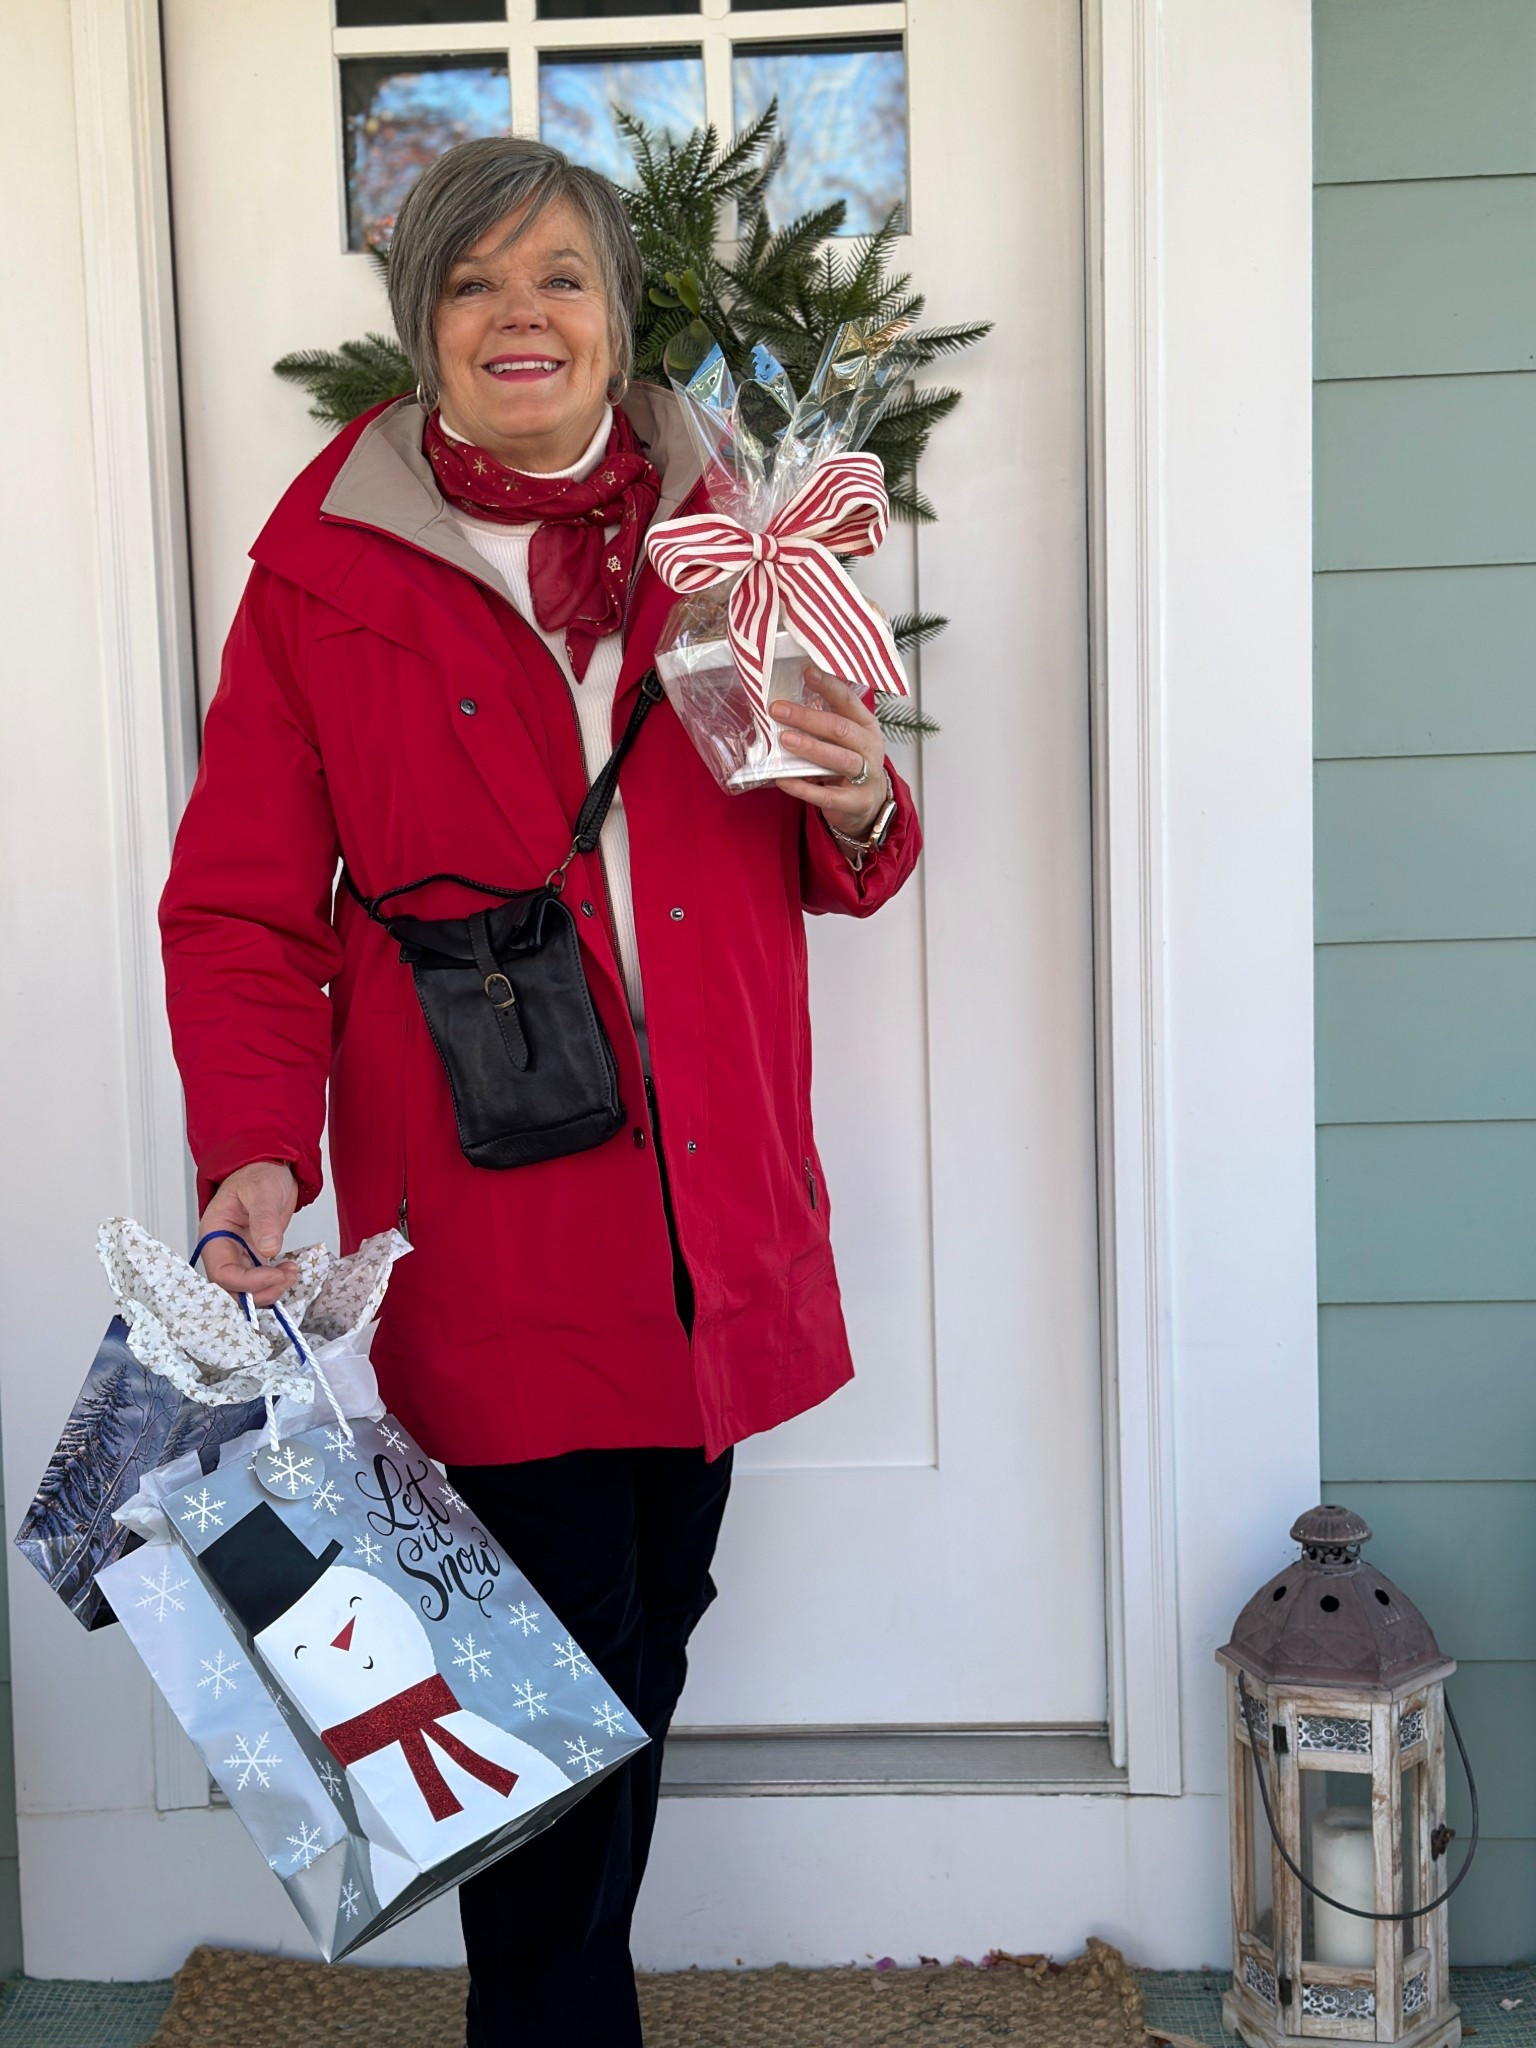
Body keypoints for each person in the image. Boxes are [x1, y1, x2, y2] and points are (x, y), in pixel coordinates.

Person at [159, 135, 922, 2045]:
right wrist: (255, 1162)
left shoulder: (738, 533)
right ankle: (560, 2022)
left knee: (641, 1642)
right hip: (494, 1227)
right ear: (422, 330)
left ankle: (565, 1996)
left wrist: (860, 793)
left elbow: (847, 838)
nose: (525, 316)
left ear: (618, 316)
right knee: (544, 1692)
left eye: (562, 278)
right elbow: (247, 908)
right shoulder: (321, 577)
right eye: (478, 282)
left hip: (716, 1211)